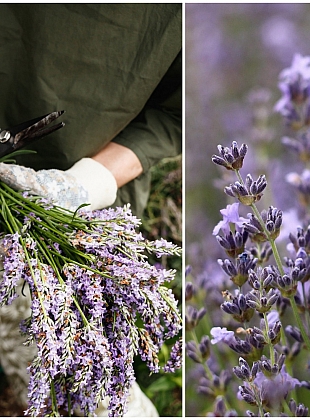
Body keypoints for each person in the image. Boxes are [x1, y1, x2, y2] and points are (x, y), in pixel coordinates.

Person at [0, 4, 182, 416]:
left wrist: (82, 184)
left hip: (74, 221)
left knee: (94, 386)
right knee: (19, 343)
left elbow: (176, 115)